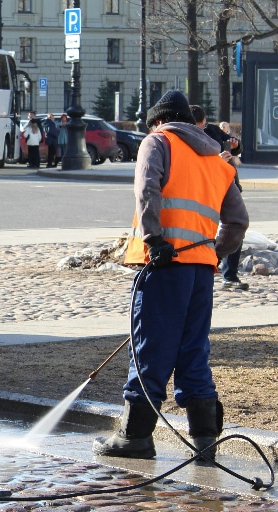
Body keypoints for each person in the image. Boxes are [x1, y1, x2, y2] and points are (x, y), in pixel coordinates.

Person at [92, 90, 249, 464]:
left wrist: (155, 240)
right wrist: (212, 252)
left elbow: (147, 191)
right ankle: (205, 442)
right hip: (200, 272)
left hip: (163, 265)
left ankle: (135, 437)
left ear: (159, 120)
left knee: (150, 348)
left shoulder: (158, 142)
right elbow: (238, 221)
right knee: (193, 352)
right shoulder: (217, 160)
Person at [190, 105, 248, 290]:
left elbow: (234, 147)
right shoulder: (185, 139)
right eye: (200, 126)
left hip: (228, 185)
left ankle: (229, 274)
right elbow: (195, 168)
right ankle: (201, 268)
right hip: (205, 190)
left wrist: (234, 144)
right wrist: (218, 162)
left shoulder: (212, 130)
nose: (204, 128)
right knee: (200, 230)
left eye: (204, 124)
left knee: (236, 224)